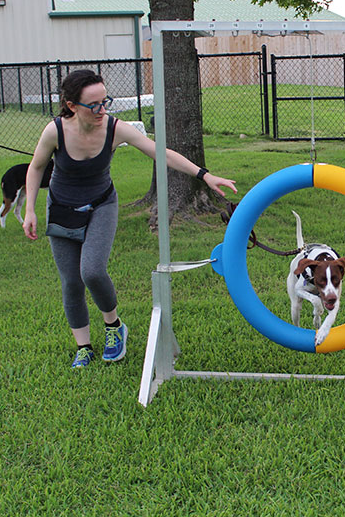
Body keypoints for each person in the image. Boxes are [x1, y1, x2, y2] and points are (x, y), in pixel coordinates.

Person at [23, 69, 237, 368]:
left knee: (92, 271)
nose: (102, 110)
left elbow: (160, 152)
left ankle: (114, 326)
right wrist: (30, 209)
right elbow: (35, 168)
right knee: (71, 282)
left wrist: (204, 175)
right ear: (72, 105)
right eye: (94, 105)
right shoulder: (55, 131)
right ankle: (83, 346)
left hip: (101, 205)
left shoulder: (115, 129)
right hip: (61, 209)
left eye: (105, 101)